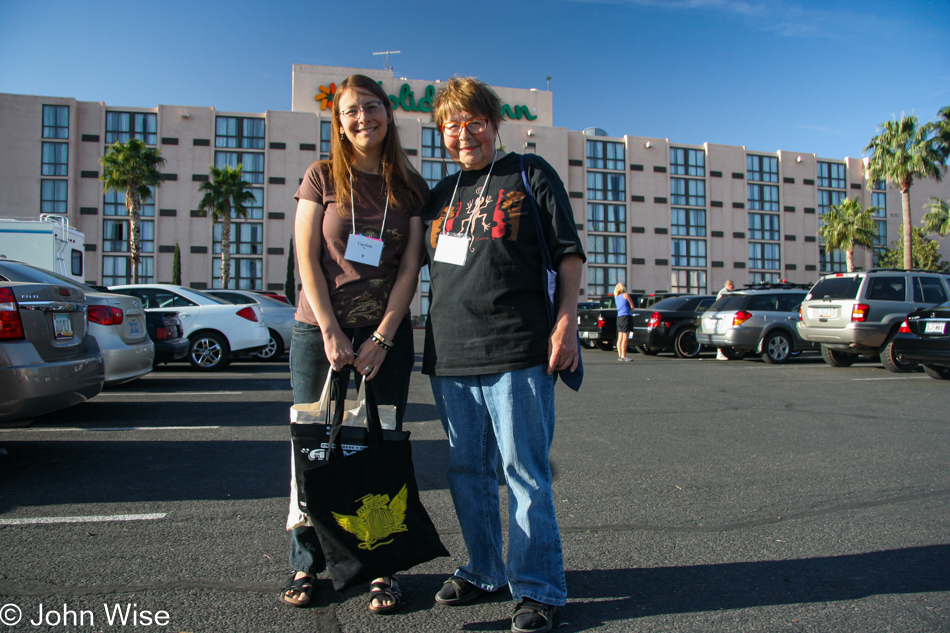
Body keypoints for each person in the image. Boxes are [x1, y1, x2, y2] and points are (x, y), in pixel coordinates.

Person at [421, 77, 585, 633]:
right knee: (467, 471)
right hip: (450, 355)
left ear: (493, 125)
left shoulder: (530, 174)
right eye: (452, 126)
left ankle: (538, 588)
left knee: (523, 471)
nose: (464, 134)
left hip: (517, 347)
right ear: (442, 133)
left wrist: (566, 324)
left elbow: (568, 257)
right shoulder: (439, 195)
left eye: (474, 123)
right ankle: (485, 570)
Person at [282, 74, 428, 613]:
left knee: (377, 447)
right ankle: (305, 561)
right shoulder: (321, 177)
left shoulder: (409, 186)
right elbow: (307, 261)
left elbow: (411, 268)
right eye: (350, 111)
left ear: (388, 114)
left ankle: (380, 568)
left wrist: (384, 338)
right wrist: (329, 331)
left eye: (372, 107)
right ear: (339, 123)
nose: (362, 118)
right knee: (312, 448)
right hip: (317, 331)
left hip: (383, 338)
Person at [614, 282, 634, 362]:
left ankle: (620, 355)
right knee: (625, 337)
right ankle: (624, 355)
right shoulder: (626, 295)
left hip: (619, 317)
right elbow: (632, 306)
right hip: (626, 316)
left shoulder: (616, 297)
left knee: (620, 337)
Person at [715, 280, 735, 360]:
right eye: (732, 285)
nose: (733, 287)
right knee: (721, 333)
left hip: (720, 314)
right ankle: (720, 353)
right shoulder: (724, 293)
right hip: (722, 315)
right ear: (730, 285)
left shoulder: (723, 292)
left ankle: (720, 353)